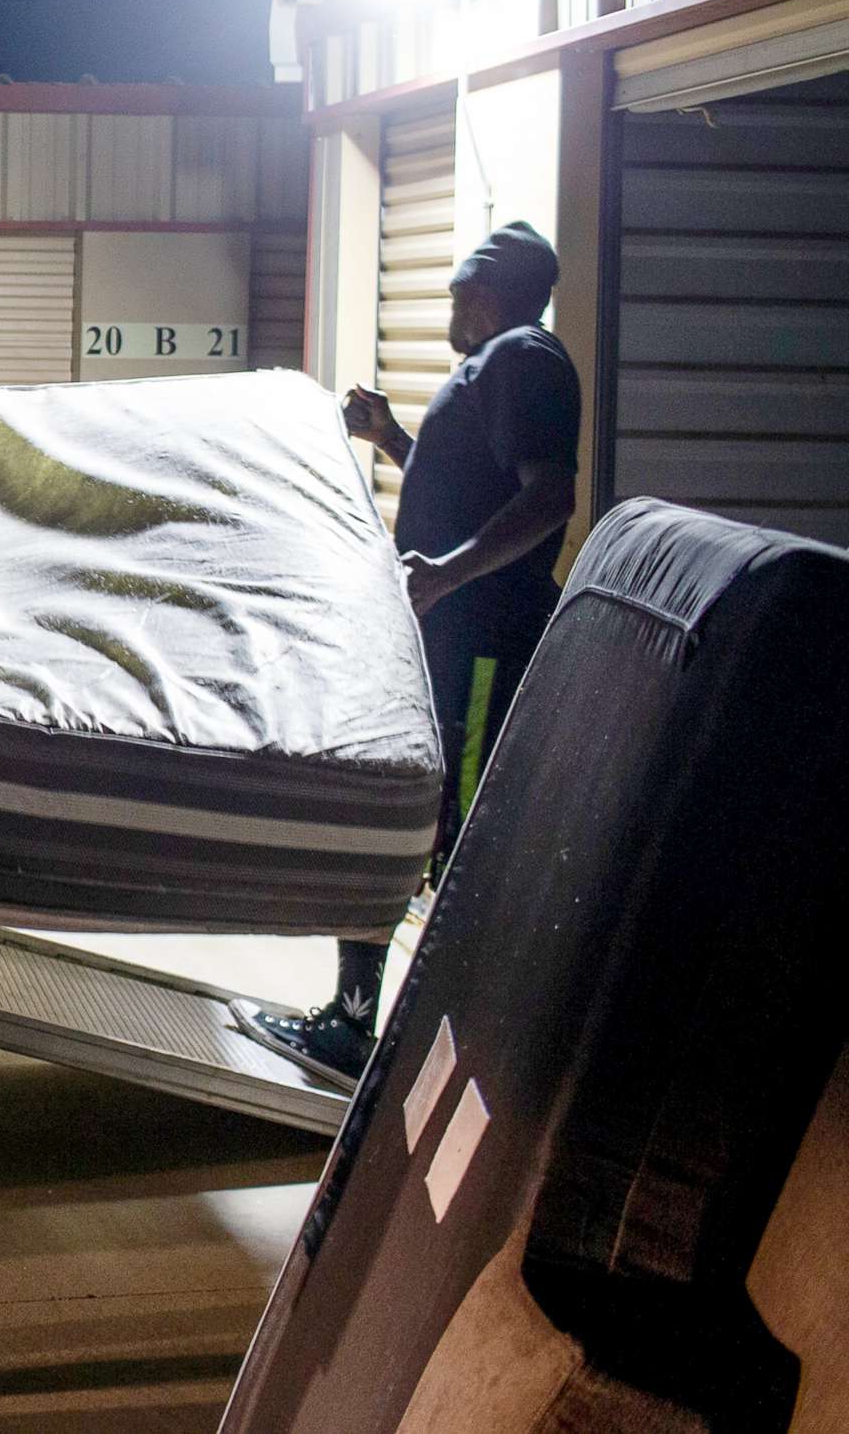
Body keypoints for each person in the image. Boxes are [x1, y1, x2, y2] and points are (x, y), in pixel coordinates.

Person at [244, 222, 580, 1085]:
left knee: (451, 831)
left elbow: (549, 499)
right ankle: (361, 1020)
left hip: (480, 649)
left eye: (464, 285)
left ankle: (428, 1045)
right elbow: (482, 484)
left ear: (497, 292)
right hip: (452, 641)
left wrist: (446, 575)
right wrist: (393, 440)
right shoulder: (502, 364)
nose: (450, 300)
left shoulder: (525, 358)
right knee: (407, 812)